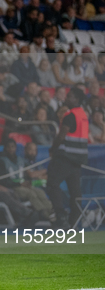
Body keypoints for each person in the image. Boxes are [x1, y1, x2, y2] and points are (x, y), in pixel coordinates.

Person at [46, 88, 89, 228]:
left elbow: (61, 135)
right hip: (79, 158)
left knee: (52, 184)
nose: (66, 98)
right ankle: (75, 220)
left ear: (77, 99)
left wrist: (53, 149)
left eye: (69, 96)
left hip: (66, 156)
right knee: (75, 191)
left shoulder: (70, 115)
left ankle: (61, 217)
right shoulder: (83, 115)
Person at [0, 138, 53, 221]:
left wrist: (28, 182)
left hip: (24, 185)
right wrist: (19, 184)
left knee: (40, 192)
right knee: (31, 193)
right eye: (8, 147)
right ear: (5, 148)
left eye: (13, 147)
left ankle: (52, 212)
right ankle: (43, 213)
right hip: (13, 187)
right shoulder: (1, 162)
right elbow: (3, 181)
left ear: (16, 148)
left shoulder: (21, 160)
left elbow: (27, 175)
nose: (11, 149)